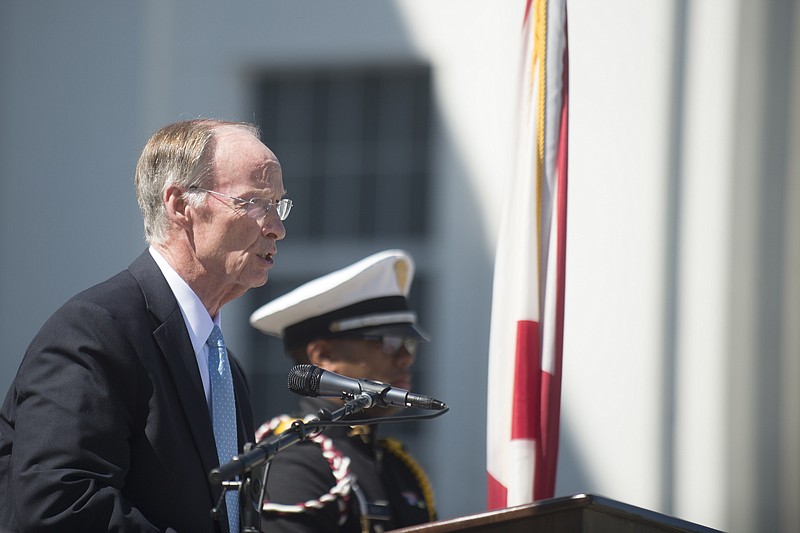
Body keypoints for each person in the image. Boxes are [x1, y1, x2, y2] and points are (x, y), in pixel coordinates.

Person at [0, 118, 291, 533]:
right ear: (179, 205)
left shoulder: (223, 365)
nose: (276, 227)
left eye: (278, 205)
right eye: (253, 203)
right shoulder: (94, 333)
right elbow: (58, 505)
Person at [249, 249, 437, 533]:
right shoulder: (294, 461)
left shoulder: (399, 466)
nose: (405, 357)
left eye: (408, 343)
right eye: (388, 341)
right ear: (322, 355)